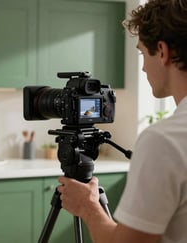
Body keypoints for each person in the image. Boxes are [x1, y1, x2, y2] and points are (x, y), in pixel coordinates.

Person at [57, 0, 187, 243]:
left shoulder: (164, 140)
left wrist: (88, 207)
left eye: (142, 53)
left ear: (162, 51)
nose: (144, 68)